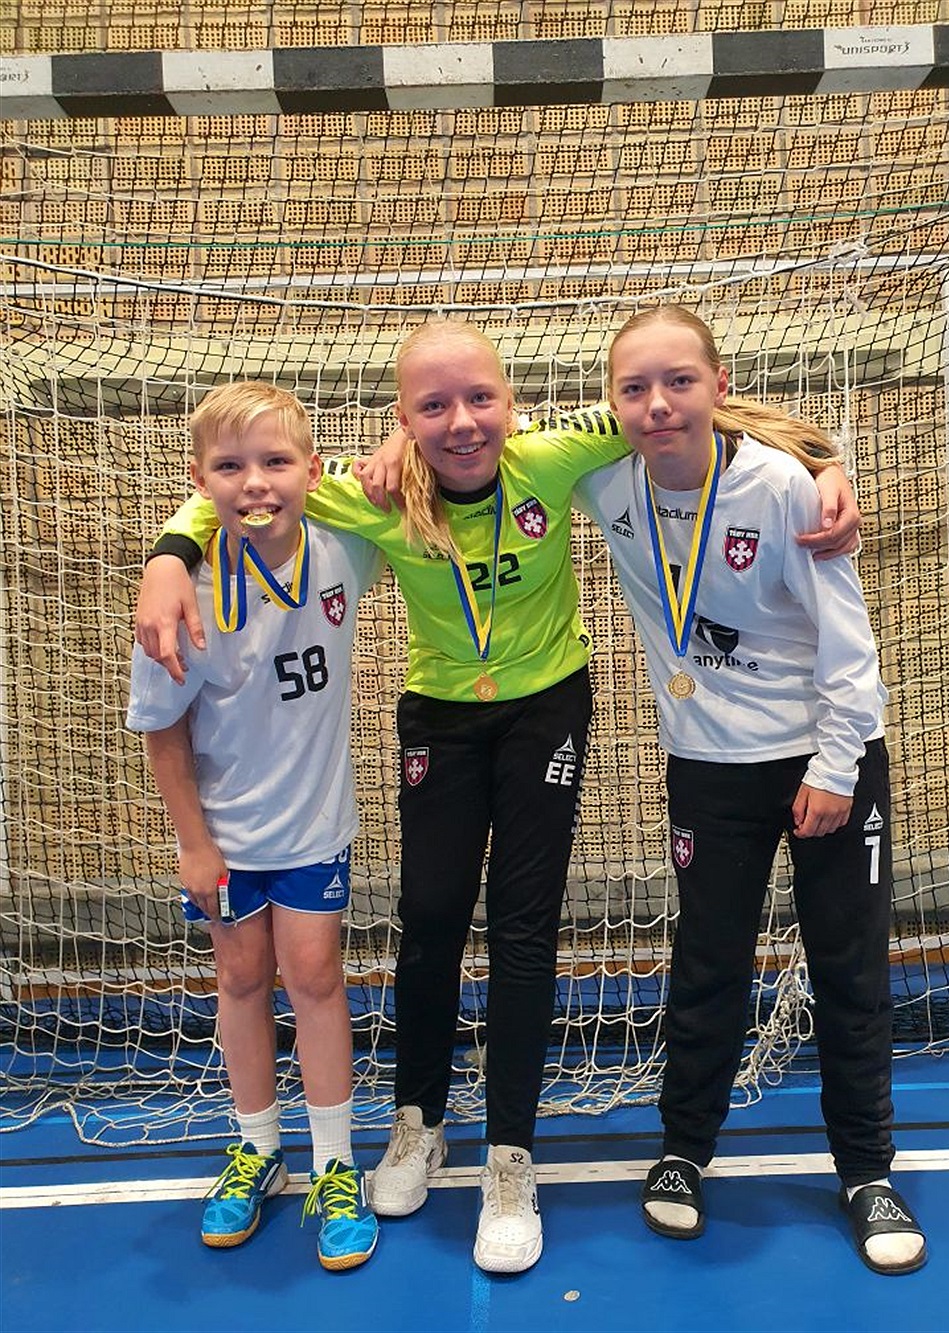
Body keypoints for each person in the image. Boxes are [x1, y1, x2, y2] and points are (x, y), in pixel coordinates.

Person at [134, 319, 860, 1275]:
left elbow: (685, 412)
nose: (462, 421)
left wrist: (822, 460)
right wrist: (167, 556)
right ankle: (417, 1121)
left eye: (480, 398)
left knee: (524, 926)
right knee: (431, 916)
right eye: (433, 406)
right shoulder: (370, 489)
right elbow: (244, 484)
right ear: (404, 419)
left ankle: (510, 1156)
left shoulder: (552, 455)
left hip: (544, 709)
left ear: (513, 405)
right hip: (439, 714)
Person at [571, 304, 926, 1275]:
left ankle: (866, 1170)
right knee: (709, 963)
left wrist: (833, 768)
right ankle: (684, 1149)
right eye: (634, 387)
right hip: (707, 765)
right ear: (612, 402)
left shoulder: (782, 487)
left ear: (718, 385)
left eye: (679, 381)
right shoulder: (602, 479)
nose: (657, 403)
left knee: (848, 968)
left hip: (827, 758)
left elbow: (850, 646)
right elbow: (480, 441)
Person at [126, 383, 384, 1271]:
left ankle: (335, 1163)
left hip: (313, 826)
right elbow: (163, 731)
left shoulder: (345, 546)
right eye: (230, 466)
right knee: (240, 978)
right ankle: (257, 1145)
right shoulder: (183, 593)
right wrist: (195, 844)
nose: (255, 482)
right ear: (200, 482)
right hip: (228, 839)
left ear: (311, 469)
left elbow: (403, 478)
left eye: (276, 461)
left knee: (314, 976)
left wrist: (392, 449)